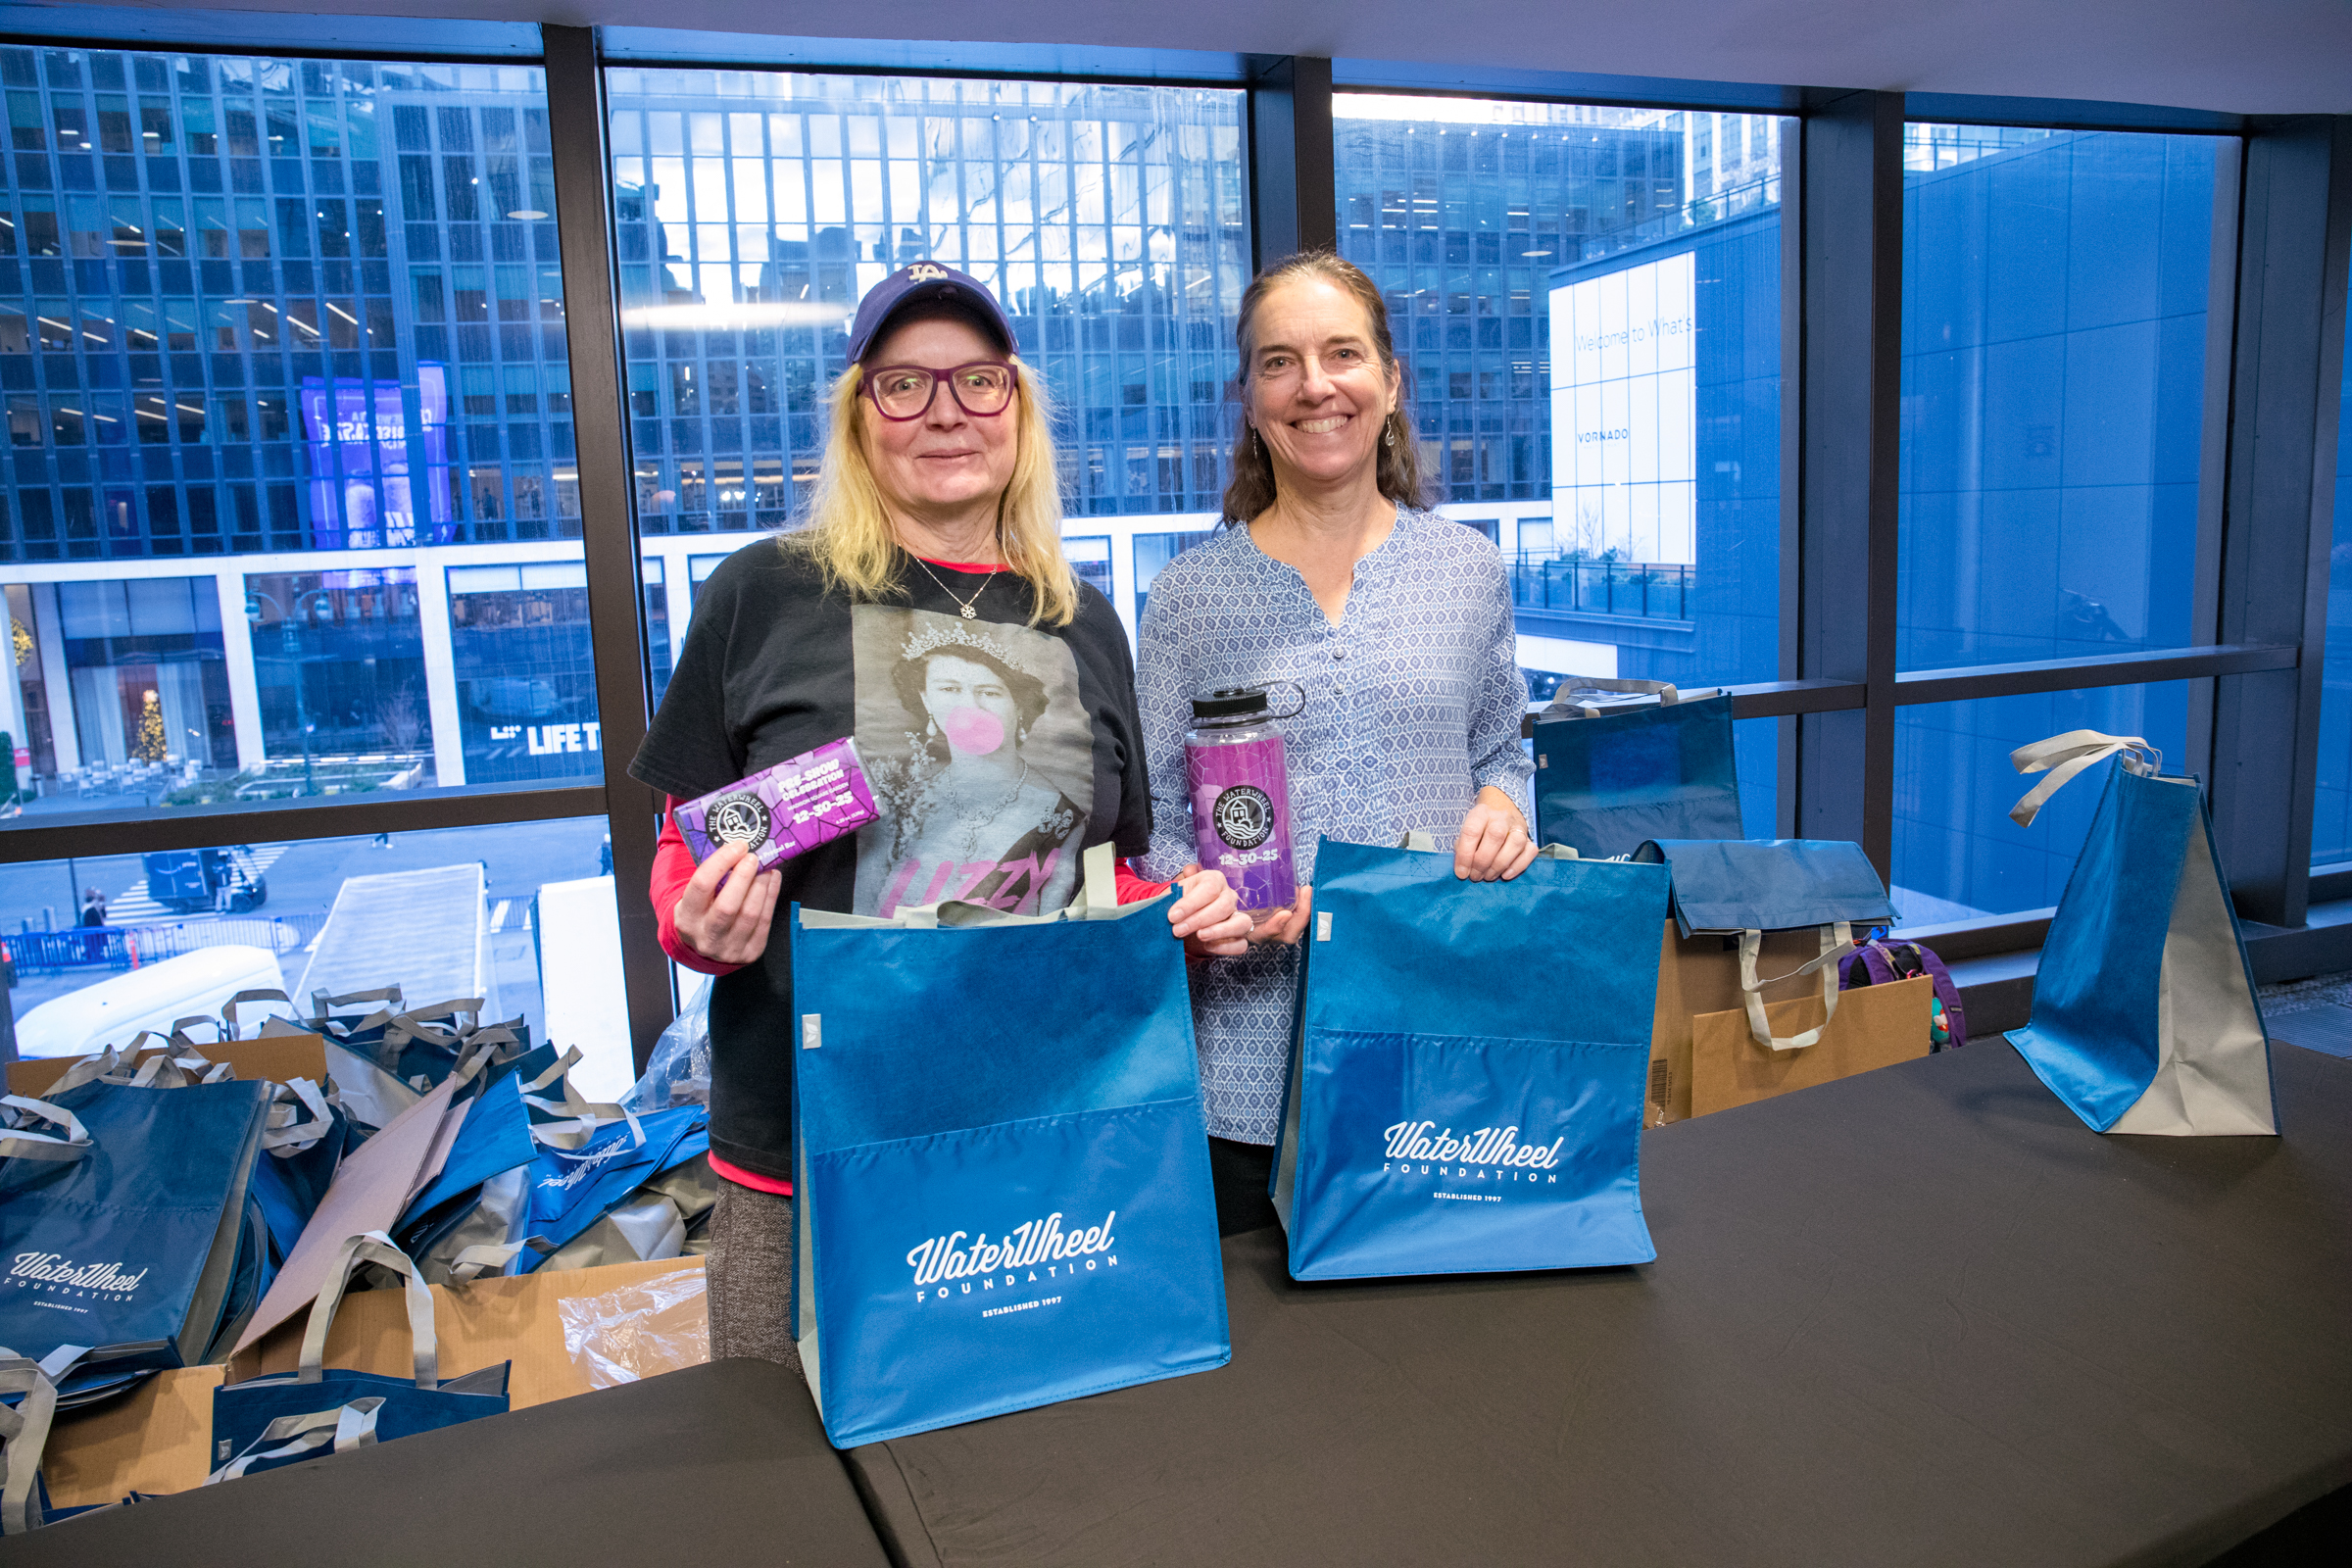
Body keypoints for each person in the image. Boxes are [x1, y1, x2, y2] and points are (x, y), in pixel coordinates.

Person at [629, 261, 1252, 1369]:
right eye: (905, 385)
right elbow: (686, 845)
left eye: (978, 381)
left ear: (1018, 407)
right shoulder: (761, 594)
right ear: (859, 417)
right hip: (813, 1148)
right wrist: (698, 928)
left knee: (1030, 1449)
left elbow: (1103, 872)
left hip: (1043, 1131)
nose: (947, 412)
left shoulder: (1083, 620)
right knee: (783, 1453)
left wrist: (1181, 915)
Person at [1133, 251, 1538, 1231]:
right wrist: (1201, 897)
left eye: (1342, 354)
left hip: (1437, 1037)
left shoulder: (1469, 569)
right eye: (1280, 362)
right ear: (1250, 399)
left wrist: (1504, 804)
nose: (1315, 385)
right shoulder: (1188, 597)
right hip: (1246, 1070)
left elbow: (1503, 749)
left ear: (1390, 383)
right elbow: (1154, 823)